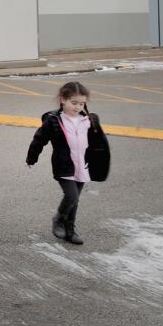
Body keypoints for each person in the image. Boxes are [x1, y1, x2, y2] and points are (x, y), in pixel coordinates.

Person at [26, 81, 111, 245]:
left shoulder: (88, 120)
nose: (78, 106)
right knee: (71, 196)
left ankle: (70, 231)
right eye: (74, 102)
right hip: (64, 166)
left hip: (82, 166)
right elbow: (39, 140)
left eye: (81, 103)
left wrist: (98, 163)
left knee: (75, 200)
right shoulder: (54, 121)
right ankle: (58, 219)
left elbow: (99, 144)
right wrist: (31, 158)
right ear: (63, 99)